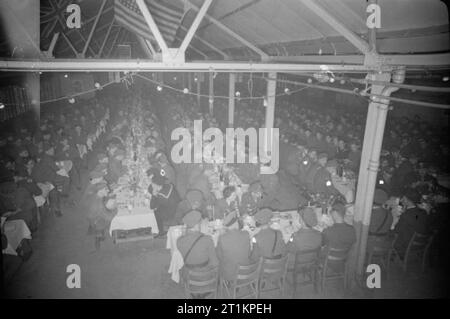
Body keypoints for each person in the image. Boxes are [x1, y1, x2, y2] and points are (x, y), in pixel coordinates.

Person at [177, 210, 219, 284]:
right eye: (200, 223)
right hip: (207, 276)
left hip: (189, 277)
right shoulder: (207, 239)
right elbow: (215, 262)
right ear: (197, 225)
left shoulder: (179, 241)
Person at [393, 188, 430, 257]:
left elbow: (396, 230)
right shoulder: (423, 212)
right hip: (420, 245)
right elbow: (415, 218)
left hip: (406, 246)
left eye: (403, 198)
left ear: (408, 200)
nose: (401, 200)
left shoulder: (406, 215)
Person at [216, 217, 252, 282]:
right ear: (236, 224)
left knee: (217, 262)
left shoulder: (222, 238)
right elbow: (249, 253)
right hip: (245, 271)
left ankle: (227, 282)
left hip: (230, 275)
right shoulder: (246, 234)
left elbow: (219, 257)